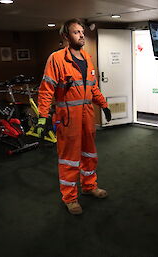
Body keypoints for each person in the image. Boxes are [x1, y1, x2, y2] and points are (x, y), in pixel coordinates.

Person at [37, 18, 112, 215]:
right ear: (65, 36)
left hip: (87, 115)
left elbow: (93, 87)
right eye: (76, 32)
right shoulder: (56, 59)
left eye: (82, 32)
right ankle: (70, 198)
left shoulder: (87, 58)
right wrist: (42, 117)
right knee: (69, 160)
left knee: (89, 154)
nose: (81, 35)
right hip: (67, 118)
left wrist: (103, 105)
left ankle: (89, 186)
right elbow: (46, 90)